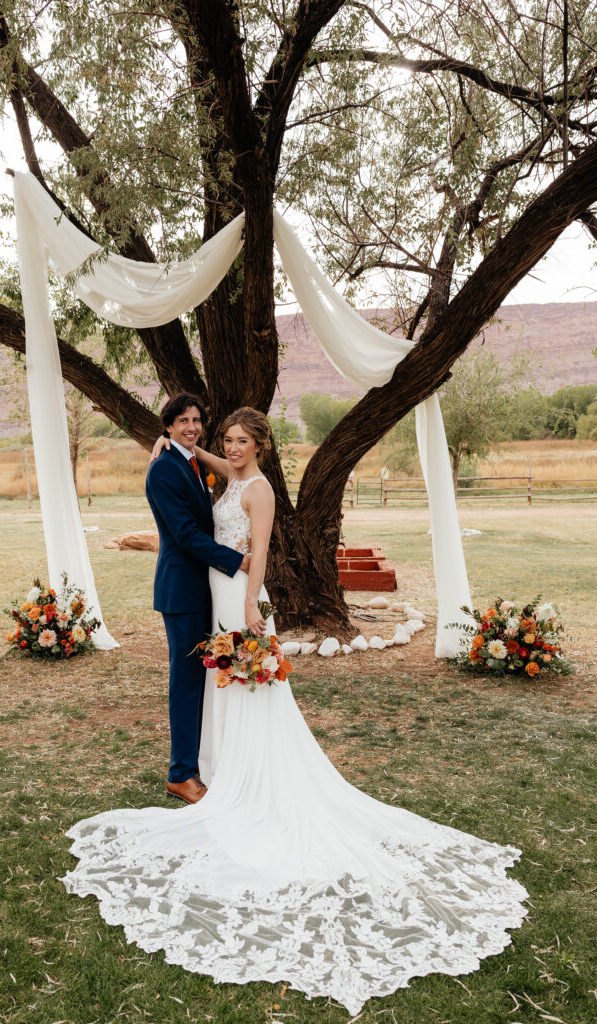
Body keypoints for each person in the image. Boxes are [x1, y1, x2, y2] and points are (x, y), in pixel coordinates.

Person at [62, 407, 527, 1016]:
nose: (225, 444)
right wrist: (177, 445)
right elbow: (203, 463)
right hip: (217, 592)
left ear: (260, 446)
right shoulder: (225, 471)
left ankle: (243, 774)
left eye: (238, 438)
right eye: (219, 436)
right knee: (225, 686)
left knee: (247, 684)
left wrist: (252, 606)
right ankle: (222, 767)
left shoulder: (256, 490)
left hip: (240, 596)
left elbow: (255, 549)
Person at [143, 393, 250, 805]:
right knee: (187, 682)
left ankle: (200, 763)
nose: (191, 426)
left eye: (197, 419)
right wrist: (238, 561)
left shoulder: (187, 461)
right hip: (183, 592)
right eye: (182, 420)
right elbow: (185, 535)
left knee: (204, 677)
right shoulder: (163, 471)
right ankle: (181, 775)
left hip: (205, 589)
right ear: (167, 426)